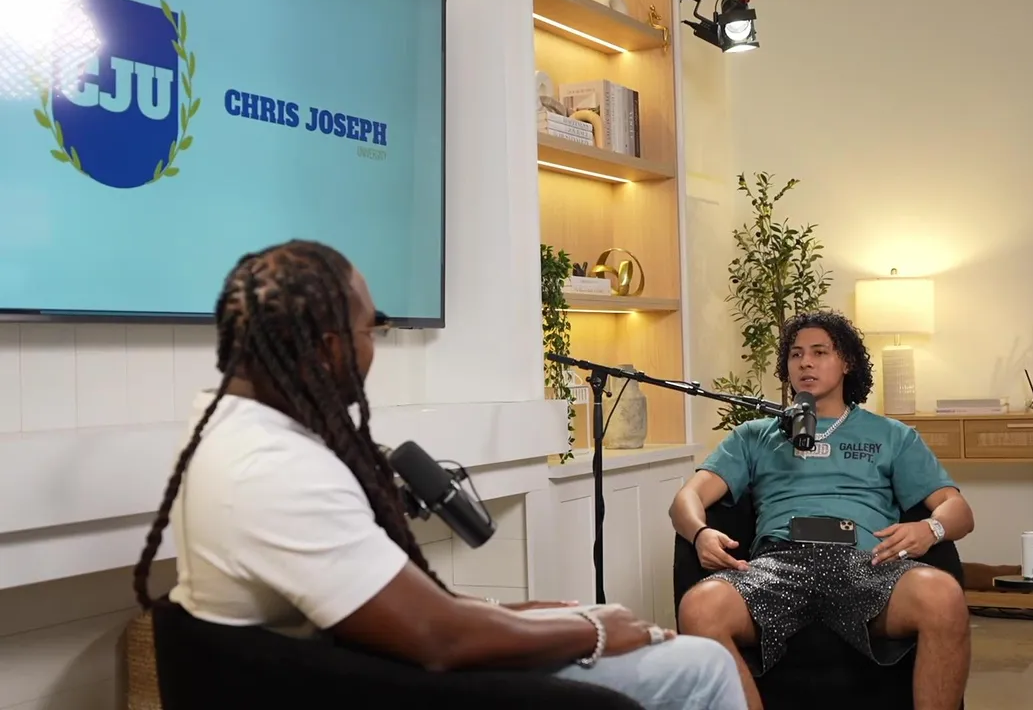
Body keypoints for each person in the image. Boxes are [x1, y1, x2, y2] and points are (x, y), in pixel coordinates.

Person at [131, 239, 746, 710]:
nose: (375, 347)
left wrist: (528, 614)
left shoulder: (230, 431)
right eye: (373, 328)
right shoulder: (274, 469)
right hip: (391, 684)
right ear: (328, 347)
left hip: (353, 667)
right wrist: (592, 628)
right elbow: (436, 637)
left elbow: (395, 603)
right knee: (701, 665)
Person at [669, 310, 975, 710]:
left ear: (846, 361)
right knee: (699, 608)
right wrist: (700, 533)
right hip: (778, 563)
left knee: (944, 597)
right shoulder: (755, 436)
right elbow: (685, 500)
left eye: (819, 352)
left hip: (867, 562)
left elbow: (958, 510)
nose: (805, 363)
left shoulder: (891, 435)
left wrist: (929, 529)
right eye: (796, 354)